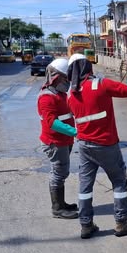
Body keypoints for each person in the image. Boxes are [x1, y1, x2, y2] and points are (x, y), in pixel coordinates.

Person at [66, 53, 127, 239]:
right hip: (106, 144)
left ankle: (86, 225)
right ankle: (122, 222)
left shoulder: (70, 94)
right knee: (119, 182)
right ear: (87, 67)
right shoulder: (101, 84)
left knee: (85, 186)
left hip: (84, 146)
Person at [37, 58, 79, 219]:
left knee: (62, 172)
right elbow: (52, 122)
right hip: (55, 142)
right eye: (65, 79)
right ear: (56, 77)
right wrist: (75, 132)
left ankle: (61, 203)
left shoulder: (60, 94)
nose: (68, 82)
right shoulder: (46, 97)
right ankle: (57, 208)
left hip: (64, 140)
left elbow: (68, 112)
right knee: (58, 173)